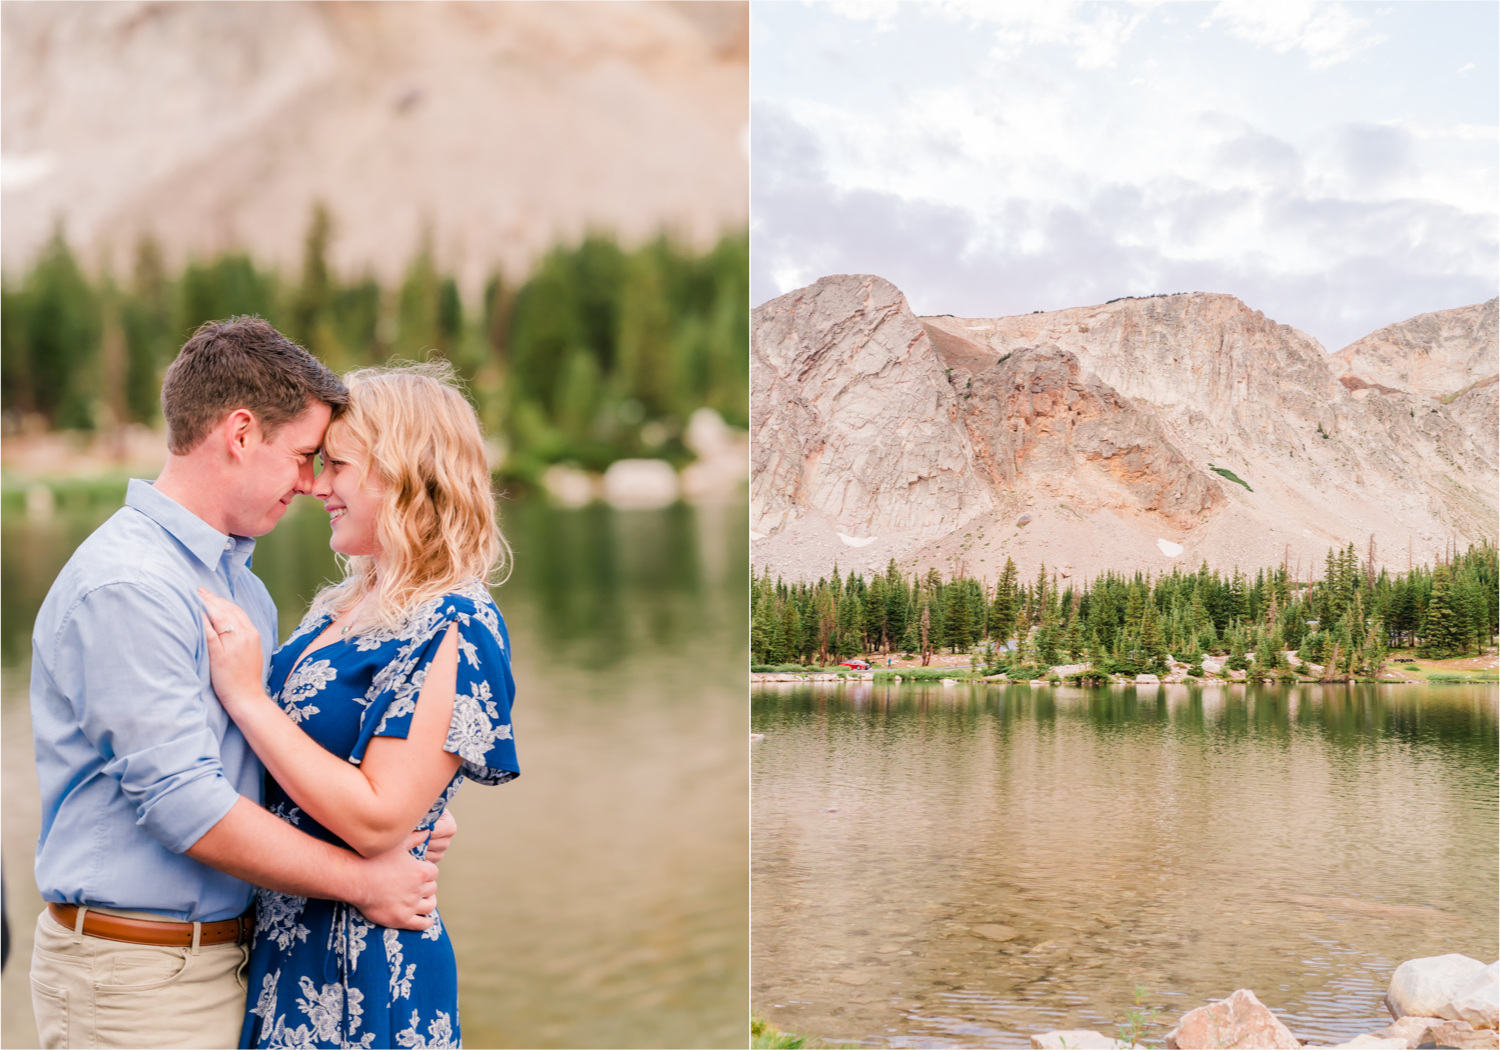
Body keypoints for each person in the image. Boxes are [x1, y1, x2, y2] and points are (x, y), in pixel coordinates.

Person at [28, 318, 456, 1050]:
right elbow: (183, 803)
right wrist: (363, 881)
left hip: (231, 963)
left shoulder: (240, 587)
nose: (310, 482)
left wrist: (394, 812)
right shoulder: (130, 585)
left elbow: (250, 765)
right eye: (301, 456)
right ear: (239, 433)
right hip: (137, 976)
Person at [198, 362, 519, 1049]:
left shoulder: (455, 621)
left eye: (337, 465)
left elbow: (376, 819)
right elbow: (365, 778)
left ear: (400, 472)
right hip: (289, 947)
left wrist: (250, 699)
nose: (317, 485)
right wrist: (423, 809)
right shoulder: (343, 605)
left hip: (363, 968)